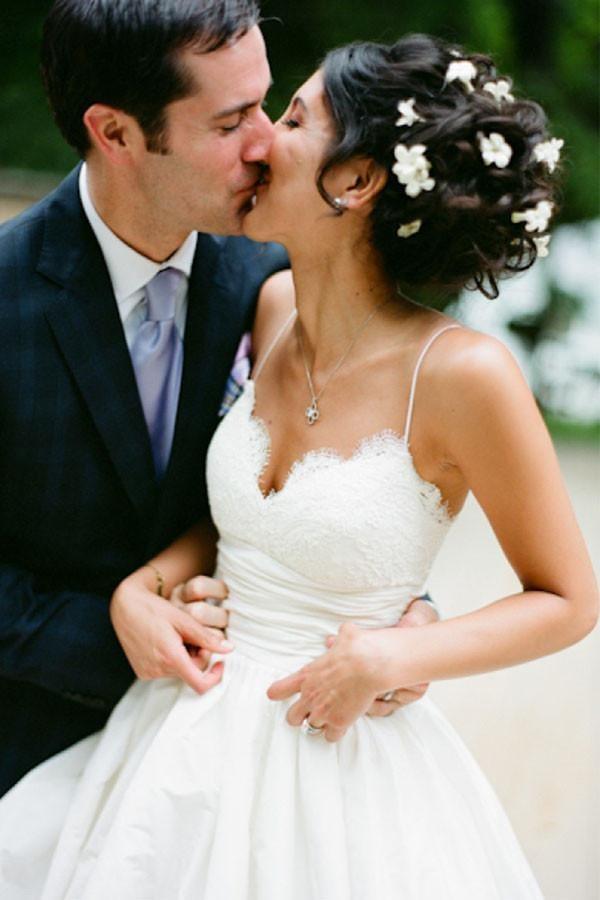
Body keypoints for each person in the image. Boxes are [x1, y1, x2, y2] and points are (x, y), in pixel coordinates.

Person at [1, 30, 597, 900]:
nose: (260, 142)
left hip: (337, 753)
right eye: (245, 115)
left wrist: (398, 650)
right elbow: (254, 522)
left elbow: (569, 596)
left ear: (356, 181)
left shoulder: (467, 374)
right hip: (176, 742)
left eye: (287, 114)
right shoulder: (270, 306)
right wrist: (148, 583)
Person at [0, 0, 432, 797]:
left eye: (266, 103)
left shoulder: (273, 279)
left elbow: (329, 469)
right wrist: (114, 632)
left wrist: (408, 609)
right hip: (33, 763)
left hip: (259, 771)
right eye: (231, 121)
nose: (267, 141)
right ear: (118, 133)